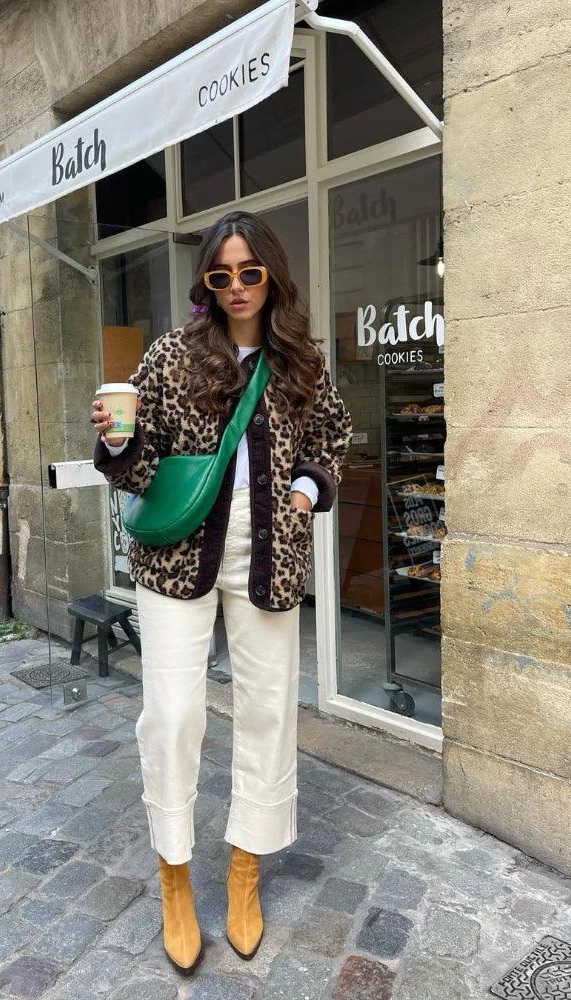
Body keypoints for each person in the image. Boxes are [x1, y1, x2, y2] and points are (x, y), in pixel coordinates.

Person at [91, 210, 352, 976]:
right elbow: (138, 460)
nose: (237, 286)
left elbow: (332, 434)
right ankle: (174, 875)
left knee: (267, 711)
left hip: (270, 551)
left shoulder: (300, 359)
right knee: (173, 714)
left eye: (250, 272)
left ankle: (245, 871)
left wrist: (305, 491)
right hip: (178, 553)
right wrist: (117, 440)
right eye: (221, 274)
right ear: (206, 281)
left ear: (271, 276)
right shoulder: (172, 356)